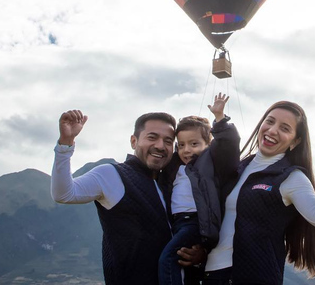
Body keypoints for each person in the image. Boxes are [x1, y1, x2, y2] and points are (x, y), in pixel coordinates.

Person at [197, 100, 315, 285]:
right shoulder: (238, 167)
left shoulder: (291, 177)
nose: (272, 131)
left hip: (255, 277)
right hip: (212, 274)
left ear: (295, 141)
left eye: (285, 128)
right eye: (269, 121)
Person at [50, 109, 204, 285]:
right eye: (152, 137)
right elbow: (63, 194)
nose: (161, 146)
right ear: (133, 141)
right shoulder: (111, 174)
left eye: (168, 141)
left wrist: (199, 253)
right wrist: (65, 144)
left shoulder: (175, 184)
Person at [158, 93, 240, 285]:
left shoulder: (210, 164)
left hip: (196, 222)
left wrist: (219, 119)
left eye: (194, 144)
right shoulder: (175, 168)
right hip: (177, 224)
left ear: (208, 145)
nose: (187, 150)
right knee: (187, 268)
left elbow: (227, 146)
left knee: (167, 260)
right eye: (182, 145)